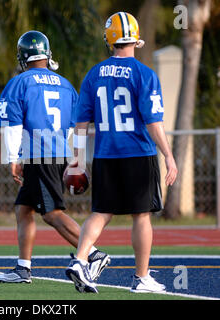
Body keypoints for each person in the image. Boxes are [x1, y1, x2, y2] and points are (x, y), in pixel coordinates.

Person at [65, 12, 178, 293]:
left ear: (110, 39)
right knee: (141, 216)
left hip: (105, 155)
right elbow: (153, 123)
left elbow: (80, 125)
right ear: (134, 38)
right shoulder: (144, 74)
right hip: (138, 153)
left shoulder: (94, 74)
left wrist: (77, 161)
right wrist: (168, 154)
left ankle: (80, 259)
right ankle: (141, 278)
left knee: (101, 213)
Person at [0, 30, 110, 285]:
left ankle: (93, 254)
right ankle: (23, 268)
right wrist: (75, 158)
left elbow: (12, 124)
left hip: (40, 155)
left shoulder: (20, 82)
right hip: (58, 152)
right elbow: (74, 125)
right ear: (47, 55)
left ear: (23, 56)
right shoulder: (65, 84)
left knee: (51, 213)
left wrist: (13, 157)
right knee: (23, 209)